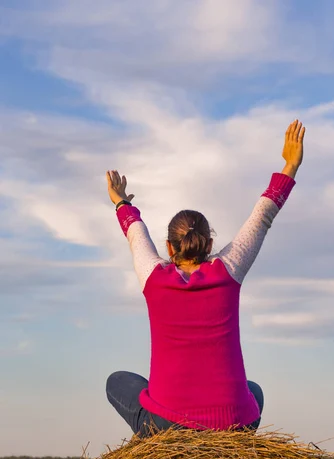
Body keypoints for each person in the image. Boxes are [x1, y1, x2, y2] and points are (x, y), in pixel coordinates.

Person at [106, 120, 305, 437]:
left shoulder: (153, 277)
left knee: (117, 381)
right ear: (210, 245)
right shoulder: (227, 270)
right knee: (253, 391)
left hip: (169, 425)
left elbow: (135, 232)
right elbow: (263, 215)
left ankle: (160, 444)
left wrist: (121, 201)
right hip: (235, 424)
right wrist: (290, 165)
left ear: (169, 246)